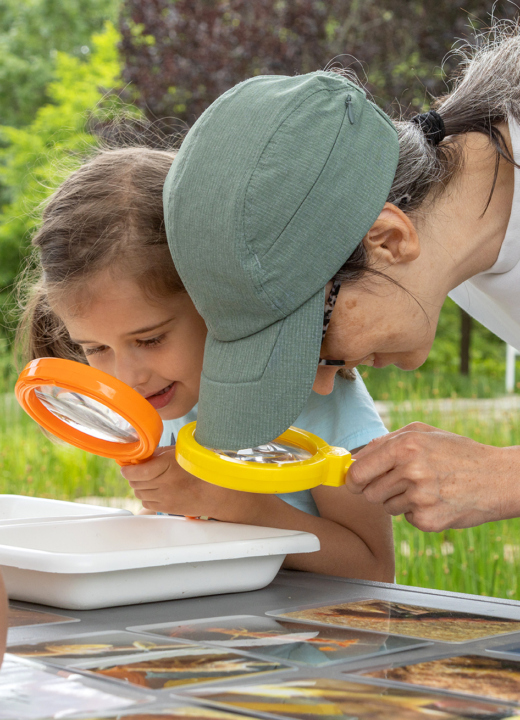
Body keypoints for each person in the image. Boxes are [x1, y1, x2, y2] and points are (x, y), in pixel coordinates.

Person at [163, 22, 520, 534]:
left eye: (316, 344)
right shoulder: (454, 241)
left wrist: (502, 475)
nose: (322, 387)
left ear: (387, 239)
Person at [17, 147, 394, 581]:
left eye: (150, 338)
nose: (128, 377)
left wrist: (236, 504)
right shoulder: (166, 400)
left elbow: (374, 570)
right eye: (95, 348)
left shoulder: (313, 394)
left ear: (219, 302)